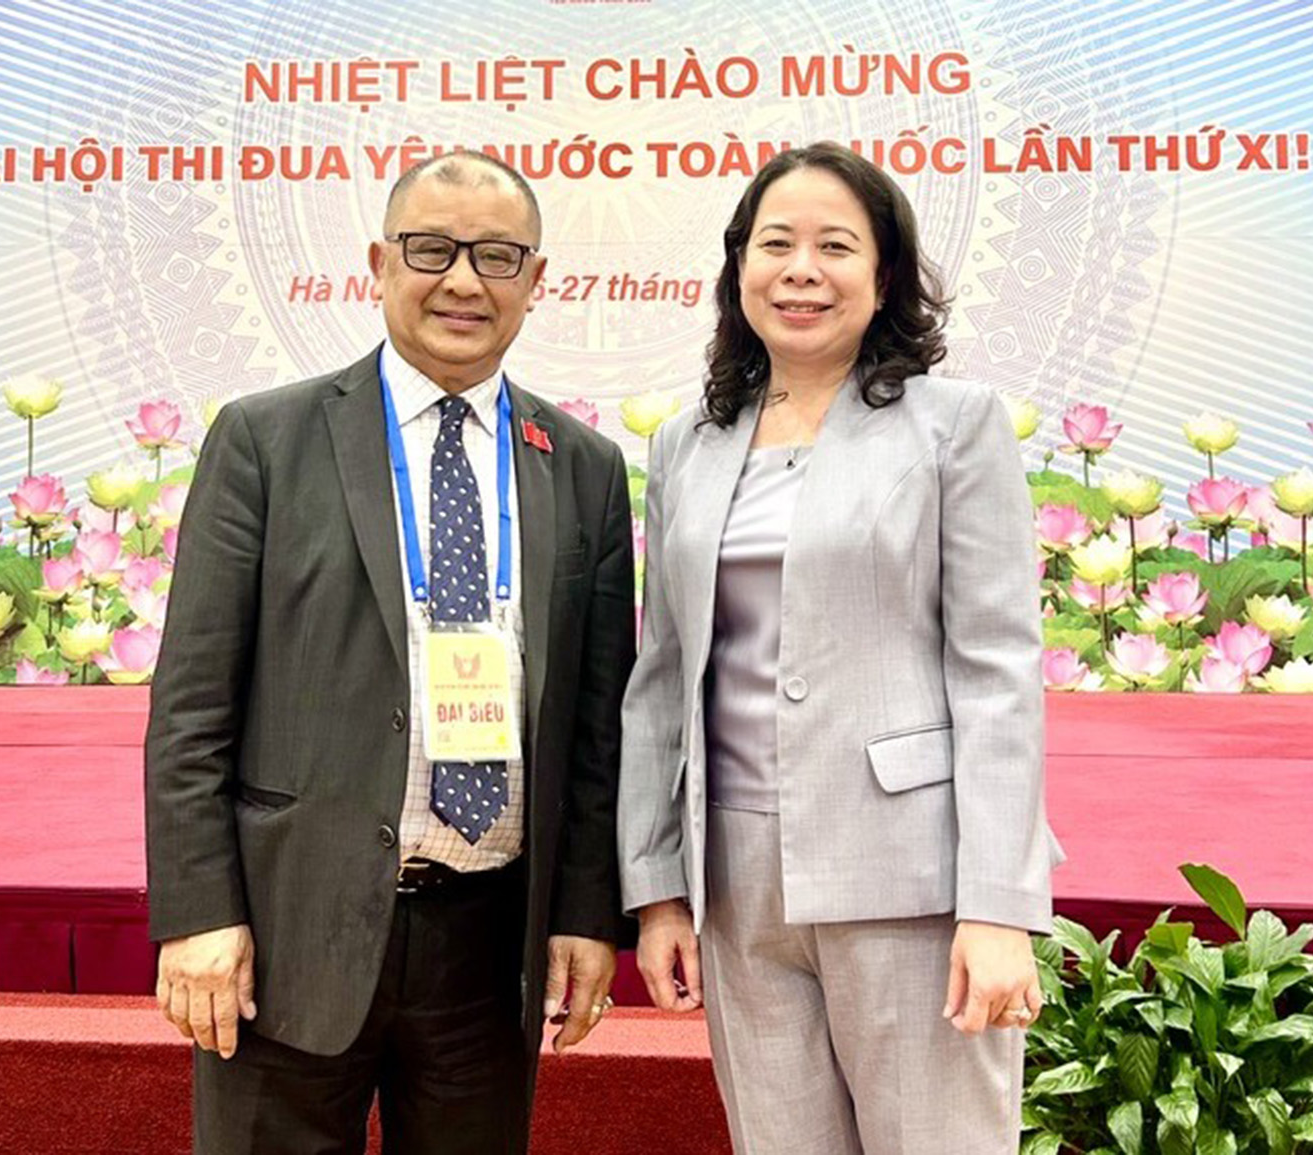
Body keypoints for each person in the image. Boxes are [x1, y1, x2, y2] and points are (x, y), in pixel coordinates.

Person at [146, 151, 635, 1155]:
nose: (463, 281)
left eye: (497, 257)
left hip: (487, 946)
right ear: (379, 264)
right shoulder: (267, 440)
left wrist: (587, 913)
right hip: (289, 931)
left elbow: (596, 726)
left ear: (536, 281)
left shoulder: (582, 467)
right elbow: (192, 708)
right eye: (431, 249)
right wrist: (197, 914)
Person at [618, 142, 1061, 1153]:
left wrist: (999, 907)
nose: (801, 271)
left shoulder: (953, 426)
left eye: (835, 247)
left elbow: (997, 672)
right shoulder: (688, 442)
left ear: (885, 274)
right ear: (739, 267)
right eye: (775, 244)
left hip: (911, 874)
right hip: (737, 884)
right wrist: (657, 892)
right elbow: (663, 677)